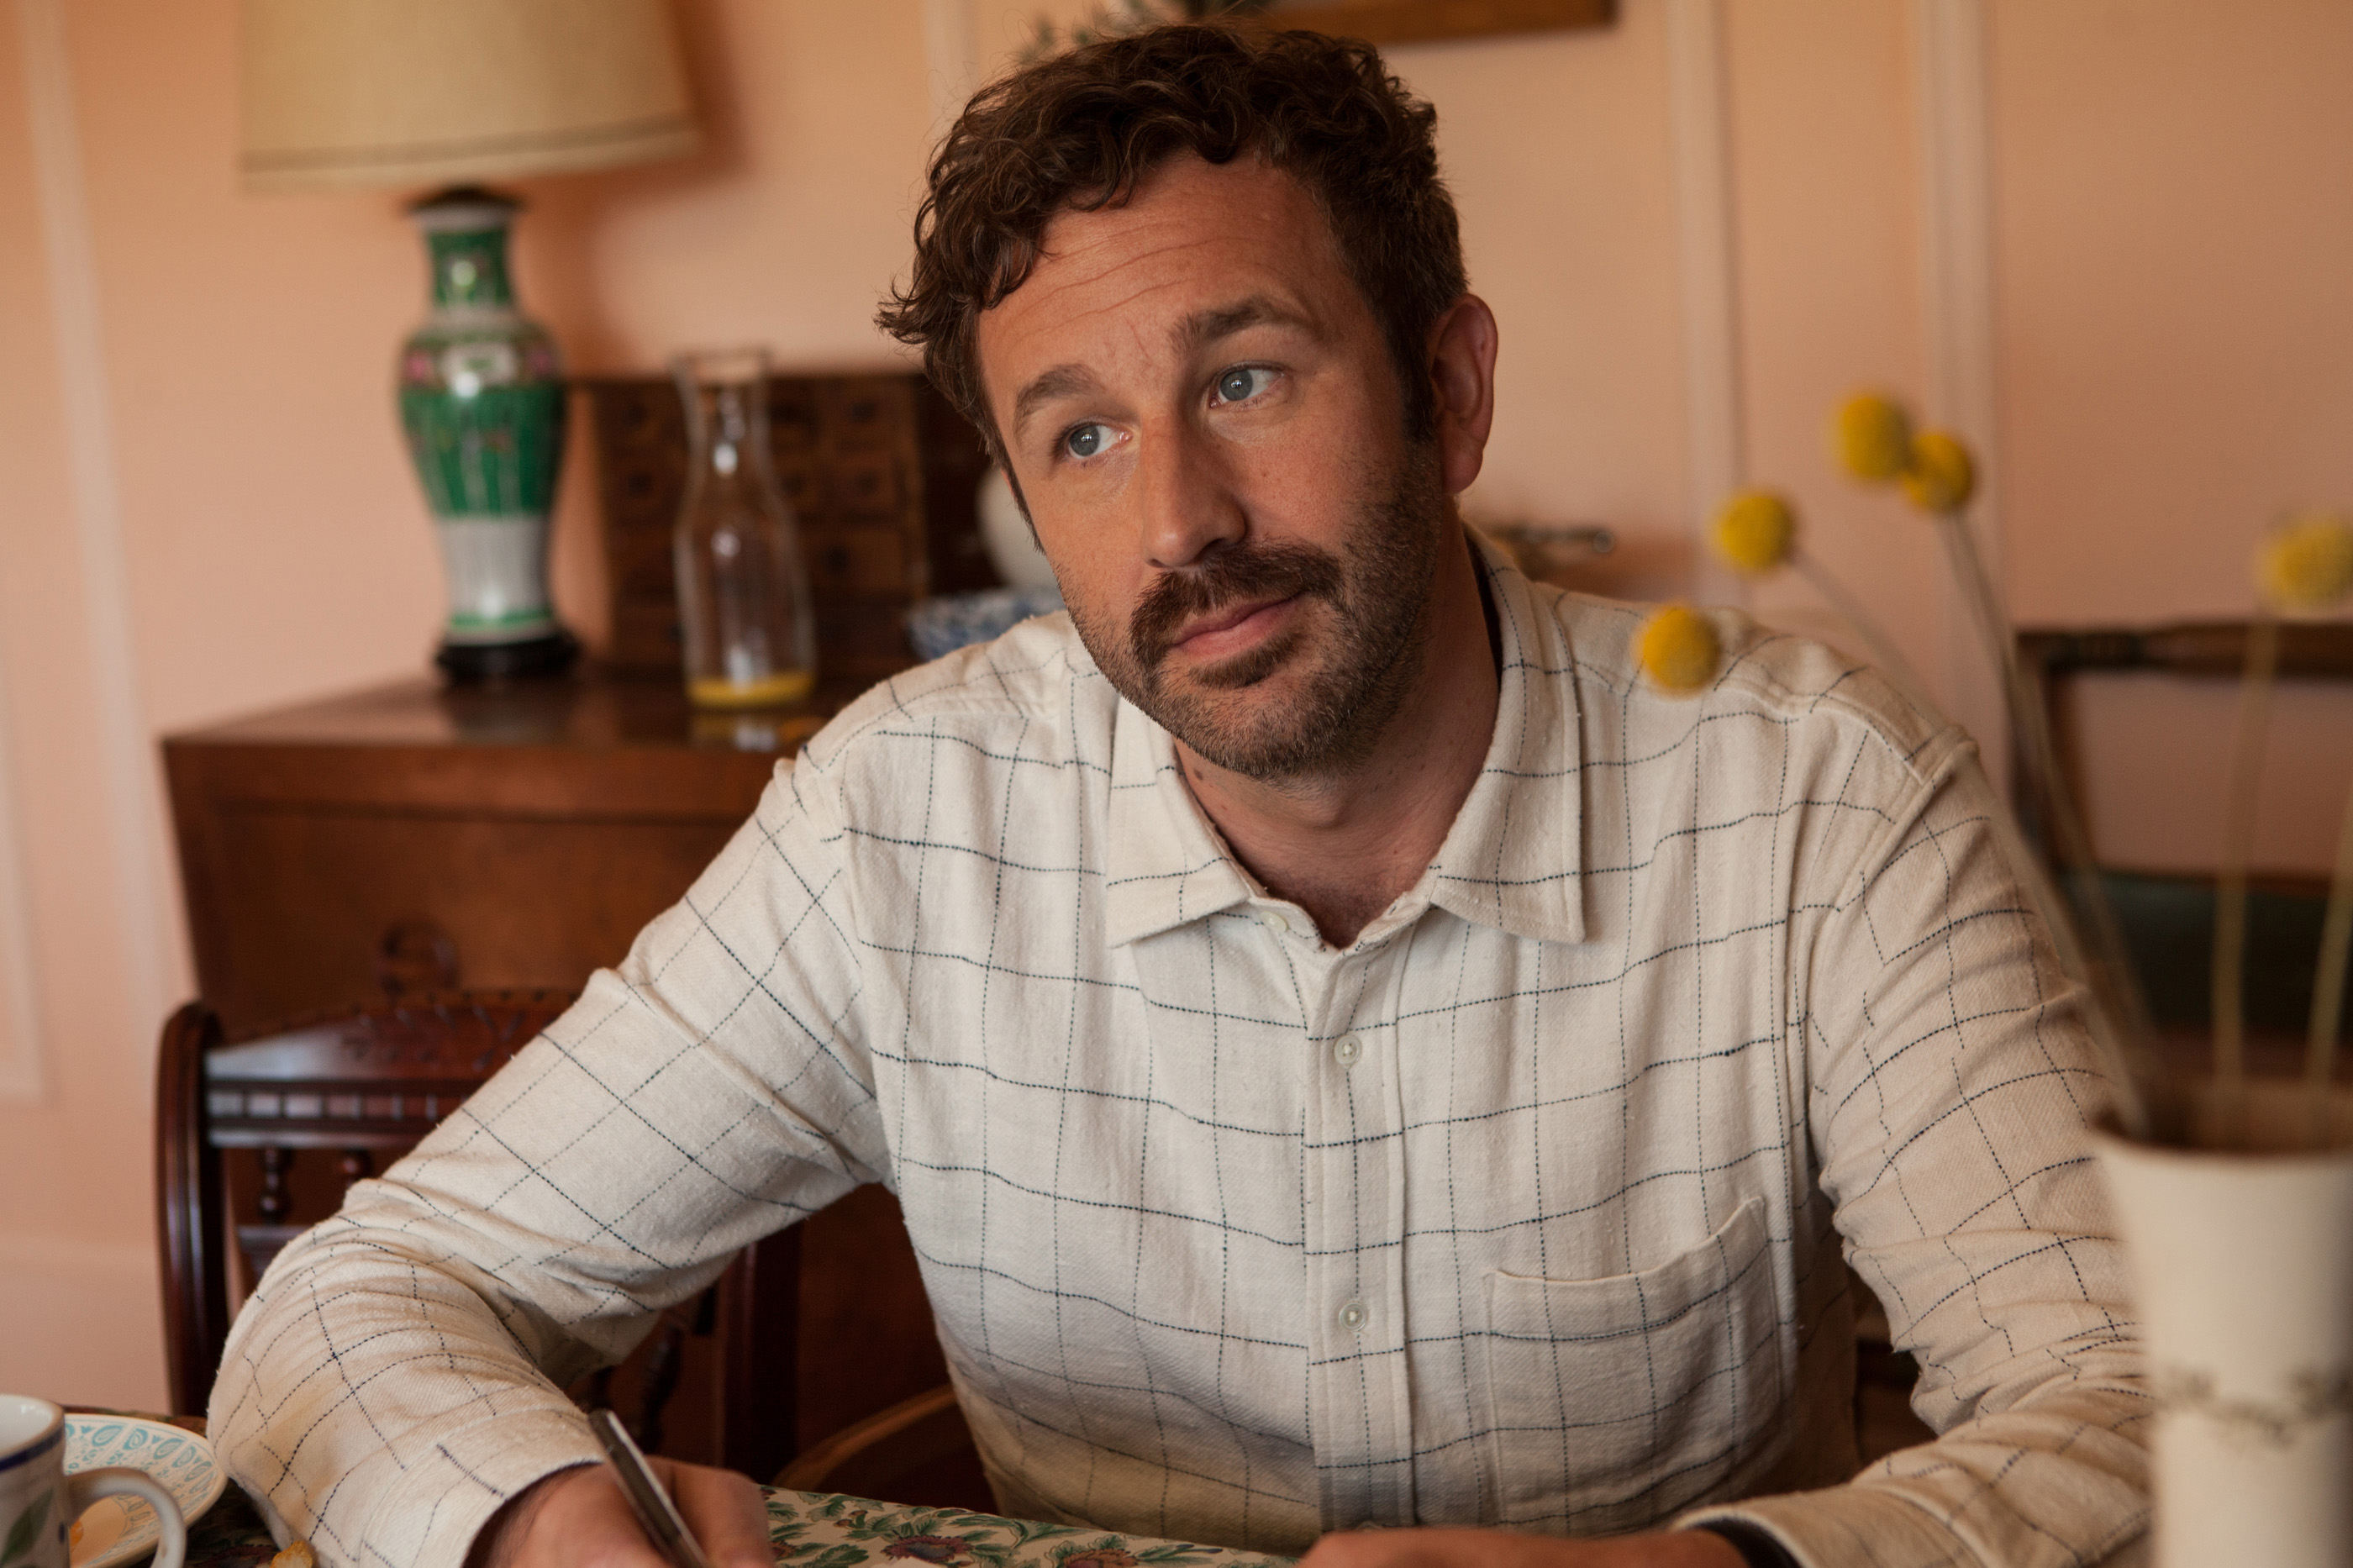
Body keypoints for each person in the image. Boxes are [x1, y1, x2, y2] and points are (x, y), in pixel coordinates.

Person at [209, 23, 2146, 1568]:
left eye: (1244, 381)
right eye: (1080, 435)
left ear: (1450, 394)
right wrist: (533, 1522)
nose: (1178, 525)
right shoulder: (897, 827)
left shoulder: (1815, 792)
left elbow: (2134, 1401)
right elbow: (359, 1294)